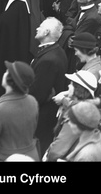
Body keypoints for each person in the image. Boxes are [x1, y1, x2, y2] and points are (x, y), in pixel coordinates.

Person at [0, 60, 40, 161]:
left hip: (6, 158)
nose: (4, 73)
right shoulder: (32, 101)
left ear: (10, 80)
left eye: (7, 72)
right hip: (31, 156)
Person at [28, 17, 68, 156]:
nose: (37, 28)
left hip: (42, 117)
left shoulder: (49, 60)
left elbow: (38, 93)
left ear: (46, 32)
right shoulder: (55, 51)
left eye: (40, 26)